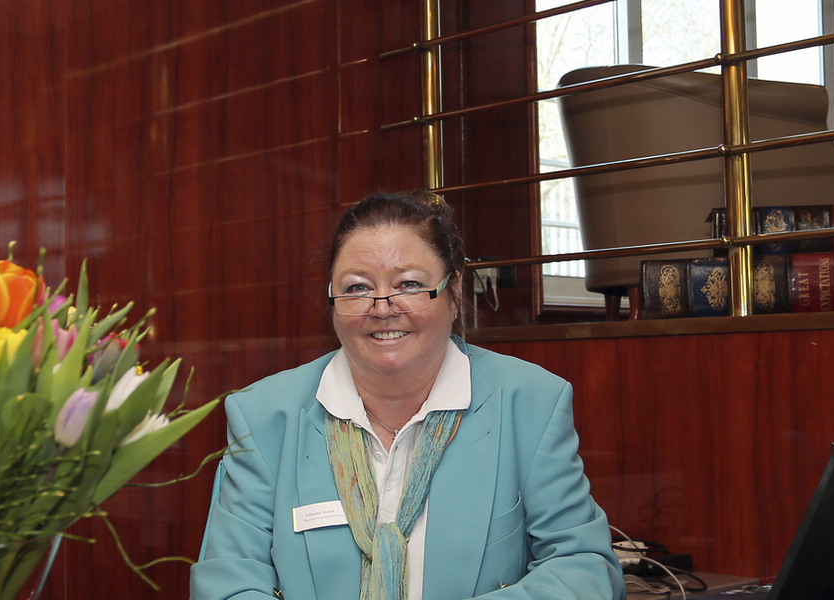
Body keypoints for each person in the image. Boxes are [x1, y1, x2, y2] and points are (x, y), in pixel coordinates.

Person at [191, 191, 623, 600]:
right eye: (358, 287)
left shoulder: (530, 403)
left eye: (410, 284)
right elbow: (227, 579)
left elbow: (583, 567)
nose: (383, 307)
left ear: (454, 293)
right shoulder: (264, 416)